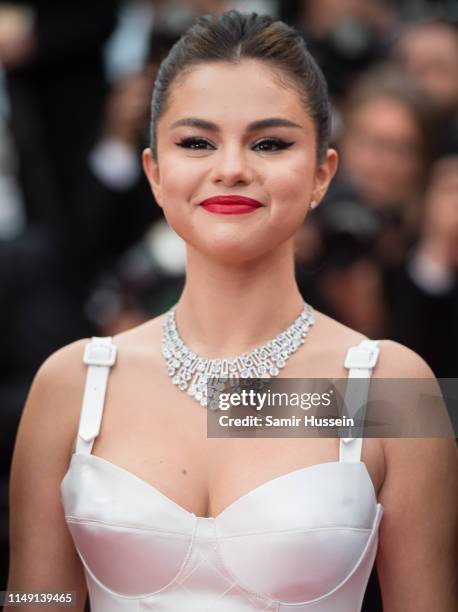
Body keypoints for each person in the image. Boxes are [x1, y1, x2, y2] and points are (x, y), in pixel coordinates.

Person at [6, 11, 457, 611]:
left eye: (270, 143)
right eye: (196, 142)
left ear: (323, 173)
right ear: (155, 172)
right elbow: (36, 600)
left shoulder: (391, 388)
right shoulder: (71, 383)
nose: (232, 168)